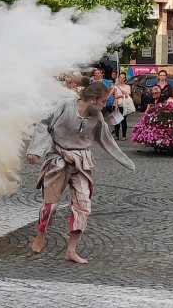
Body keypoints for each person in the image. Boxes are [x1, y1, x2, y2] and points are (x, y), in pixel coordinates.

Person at [25, 81, 135, 264]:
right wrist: (35, 149)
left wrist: (126, 162)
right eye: (102, 101)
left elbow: (108, 140)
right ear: (92, 99)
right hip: (58, 159)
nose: (104, 105)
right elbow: (44, 124)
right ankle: (41, 232)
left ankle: (71, 250)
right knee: (50, 206)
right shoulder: (64, 105)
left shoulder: (97, 117)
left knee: (83, 206)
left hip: (81, 163)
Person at [112, 72, 131, 141]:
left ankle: (124, 135)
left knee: (123, 120)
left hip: (124, 105)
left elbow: (127, 95)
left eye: (123, 77)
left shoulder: (127, 86)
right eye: (120, 77)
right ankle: (117, 135)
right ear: (118, 78)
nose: (122, 79)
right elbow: (114, 96)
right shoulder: (115, 87)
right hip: (116, 105)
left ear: (125, 79)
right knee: (117, 121)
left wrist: (119, 96)